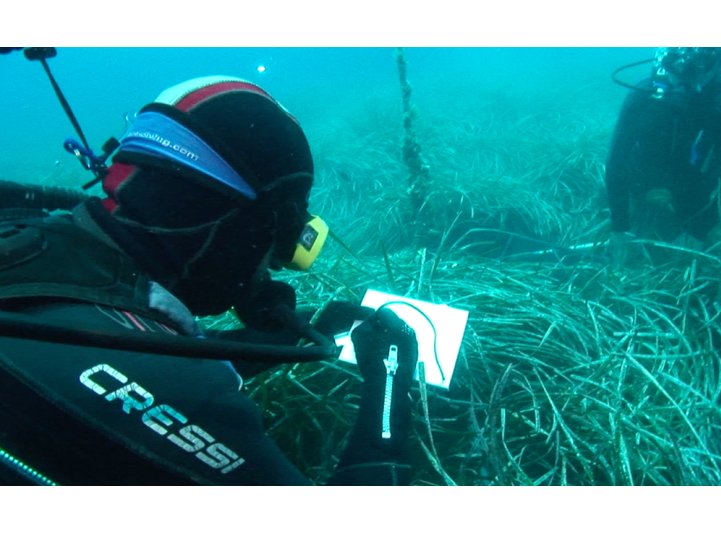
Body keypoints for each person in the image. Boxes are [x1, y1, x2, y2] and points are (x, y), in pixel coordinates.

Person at [0, 72, 419, 485]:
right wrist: (390, 381)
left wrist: (301, 334)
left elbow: (134, 356)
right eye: (280, 232)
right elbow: (149, 380)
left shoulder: (36, 240)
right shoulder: (164, 383)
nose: (274, 264)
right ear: (232, 227)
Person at [605, 47, 721, 264]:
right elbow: (617, 161)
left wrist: (699, 230)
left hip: (696, 189)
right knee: (631, 231)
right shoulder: (645, 94)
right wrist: (619, 226)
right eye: (677, 66)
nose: (686, 79)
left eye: (700, 66)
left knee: (693, 251)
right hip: (641, 181)